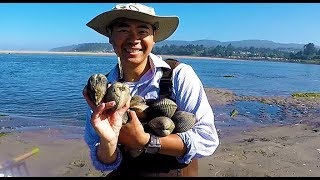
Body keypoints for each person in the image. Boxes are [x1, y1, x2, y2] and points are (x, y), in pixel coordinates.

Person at [82, 3, 219, 177]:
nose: (134, 39)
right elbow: (104, 163)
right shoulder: (103, 88)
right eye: (124, 30)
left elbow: (207, 140)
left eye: (143, 31)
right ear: (111, 37)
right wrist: (108, 141)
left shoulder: (178, 74)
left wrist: (146, 141)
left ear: (154, 38)